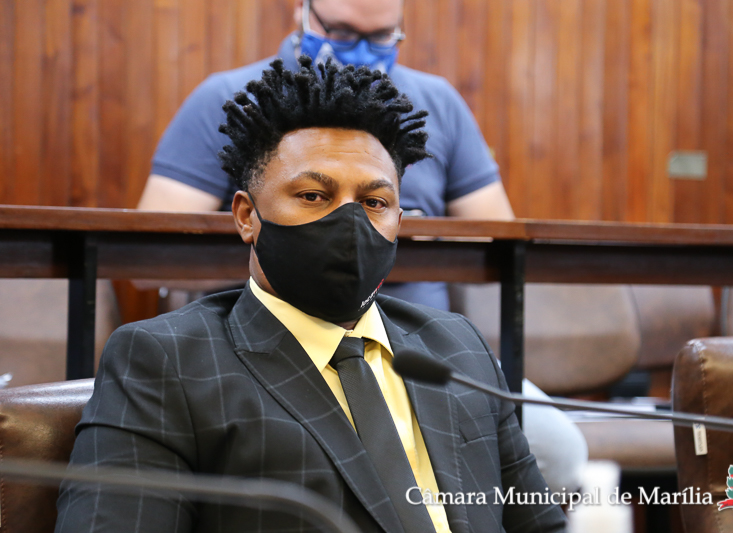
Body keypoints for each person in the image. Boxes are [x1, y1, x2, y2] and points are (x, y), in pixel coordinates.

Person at [56, 57, 567, 533]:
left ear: (400, 219)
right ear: (247, 216)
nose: (349, 222)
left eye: (374, 202)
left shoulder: (457, 349)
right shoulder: (165, 361)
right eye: (313, 196)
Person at [138, 0, 586, 492]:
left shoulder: (437, 103)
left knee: (557, 449)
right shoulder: (230, 100)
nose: (361, 52)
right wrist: (301, 247)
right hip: (272, 338)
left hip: (414, 348)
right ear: (303, 13)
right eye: (343, 33)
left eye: (380, 38)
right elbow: (150, 254)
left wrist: (397, 234)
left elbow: (499, 235)